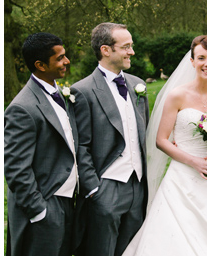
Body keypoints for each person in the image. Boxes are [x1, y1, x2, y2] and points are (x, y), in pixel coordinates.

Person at [122, 35, 207, 255]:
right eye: (201, 58)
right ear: (192, 61)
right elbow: (161, 140)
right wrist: (194, 162)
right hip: (182, 177)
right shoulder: (177, 95)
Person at [71, 22, 148, 256]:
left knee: (132, 251)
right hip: (106, 187)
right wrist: (94, 188)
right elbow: (80, 146)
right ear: (106, 50)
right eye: (126, 47)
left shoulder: (137, 85)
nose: (131, 52)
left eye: (131, 46)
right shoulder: (82, 91)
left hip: (138, 185)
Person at [5, 32, 76, 256]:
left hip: (68, 201)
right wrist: (39, 211)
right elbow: (16, 169)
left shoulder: (60, 93)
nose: (67, 61)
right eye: (60, 58)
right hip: (46, 202)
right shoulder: (22, 108)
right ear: (40, 65)